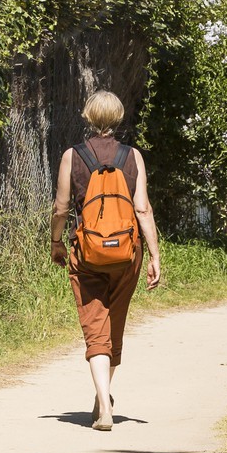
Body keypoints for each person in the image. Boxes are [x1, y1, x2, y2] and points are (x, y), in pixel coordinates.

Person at [50, 90, 161, 430]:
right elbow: (142, 208)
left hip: (87, 254)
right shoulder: (133, 156)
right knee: (114, 323)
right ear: (118, 118)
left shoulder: (73, 156)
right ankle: (104, 399)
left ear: (87, 117)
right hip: (127, 254)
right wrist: (155, 255)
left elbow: (61, 208)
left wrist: (56, 242)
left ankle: (104, 405)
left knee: (93, 325)